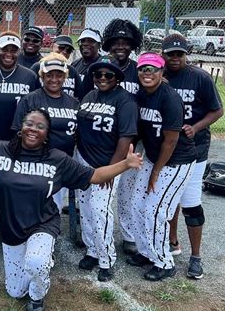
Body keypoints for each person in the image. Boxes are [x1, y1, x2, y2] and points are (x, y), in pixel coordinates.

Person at [0, 108, 143, 311]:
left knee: (36, 262)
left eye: (40, 126)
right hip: (12, 230)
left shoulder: (57, 159)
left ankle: (38, 293)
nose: (33, 129)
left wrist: (126, 163)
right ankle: (31, 274)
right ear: (21, 128)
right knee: (15, 292)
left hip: (43, 223)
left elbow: (94, 176)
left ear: (47, 134)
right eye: (29, 124)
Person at [127, 53, 196, 281]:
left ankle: (165, 262)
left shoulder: (170, 98)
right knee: (136, 204)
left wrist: (155, 171)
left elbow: (171, 140)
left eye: (152, 69)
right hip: (153, 158)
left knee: (154, 211)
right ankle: (147, 252)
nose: (147, 73)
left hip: (176, 162)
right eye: (143, 69)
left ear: (161, 72)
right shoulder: (141, 95)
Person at [162, 34, 223, 279]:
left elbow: (217, 110)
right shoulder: (160, 76)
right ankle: (172, 242)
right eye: (170, 54)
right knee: (169, 199)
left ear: (186, 54)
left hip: (194, 148)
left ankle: (196, 256)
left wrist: (196, 127)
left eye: (179, 53)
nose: (175, 58)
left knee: (191, 202)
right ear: (163, 54)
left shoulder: (200, 77)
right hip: (168, 148)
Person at [75, 56, 138, 281]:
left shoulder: (125, 101)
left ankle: (106, 259)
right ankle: (92, 250)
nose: (102, 78)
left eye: (108, 74)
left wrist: (112, 169)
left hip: (107, 164)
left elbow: (126, 137)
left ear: (117, 78)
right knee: (86, 209)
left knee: (100, 211)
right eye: (98, 74)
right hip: (83, 161)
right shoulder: (90, 95)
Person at [0, 32, 39, 249]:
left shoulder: (29, 76)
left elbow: (35, 112)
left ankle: (13, 226)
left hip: (18, 143)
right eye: (5, 49)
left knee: (16, 187)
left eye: (13, 50)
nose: (9, 54)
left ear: (18, 52)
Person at [86, 19, 143, 256]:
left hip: (134, 139)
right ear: (109, 44)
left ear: (132, 45)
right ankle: (94, 242)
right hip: (107, 138)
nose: (121, 46)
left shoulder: (139, 69)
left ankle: (129, 235)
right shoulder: (101, 67)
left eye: (126, 42)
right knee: (101, 196)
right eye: (116, 42)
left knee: (128, 192)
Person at [12, 53, 79, 211]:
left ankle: (49, 234)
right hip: (36, 161)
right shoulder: (31, 99)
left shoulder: (73, 103)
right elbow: (17, 131)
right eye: (49, 75)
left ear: (65, 77)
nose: (54, 79)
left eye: (58, 75)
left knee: (53, 205)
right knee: (31, 203)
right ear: (42, 76)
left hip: (62, 162)